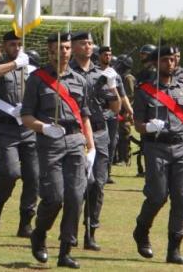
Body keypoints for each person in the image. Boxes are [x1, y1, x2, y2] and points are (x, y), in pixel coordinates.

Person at [21, 31, 95, 269]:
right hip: (50, 142)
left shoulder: (79, 80)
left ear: (70, 50)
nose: (62, 52)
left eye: (65, 47)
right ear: (49, 50)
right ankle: (39, 233)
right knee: (54, 198)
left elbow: (84, 116)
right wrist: (43, 127)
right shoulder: (37, 79)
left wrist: (90, 146)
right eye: (57, 48)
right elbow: (26, 116)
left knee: (75, 197)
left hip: (75, 141)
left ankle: (66, 251)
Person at [132, 45, 183, 265]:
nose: (169, 64)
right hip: (156, 147)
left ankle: (174, 248)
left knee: (181, 197)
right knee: (157, 196)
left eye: (172, 60)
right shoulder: (144, 91)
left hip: (182, 148)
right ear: (155, 62)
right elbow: (138, 124)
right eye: (165, 60)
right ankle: (142, 230)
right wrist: (148, 127)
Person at [0, 31, 38, 238]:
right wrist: (15, 64)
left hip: (28, 129)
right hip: (6, 129)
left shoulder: (31, 69)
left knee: (33, 178)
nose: (16, 48)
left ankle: (26, 222)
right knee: (10, 173)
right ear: (5, 46)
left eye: (19, 44)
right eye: (12, 44)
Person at [70, 32, 120, 252]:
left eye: (90, 43)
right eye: (83, 43)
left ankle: (90, 232)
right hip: (74, 134)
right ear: (73, 46)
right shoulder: (66, 73)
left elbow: (116, 108)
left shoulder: (102, 73)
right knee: (77, 187)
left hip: (100, 134)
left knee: (98, 184)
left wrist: (112, 86)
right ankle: (70, 231)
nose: (88, 46)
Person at [97, 45, 127, 184]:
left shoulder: (114, 74)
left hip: (112, 112)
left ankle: (107, 173)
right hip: (98, 111)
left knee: (111, 143)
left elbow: (122, 95)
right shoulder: (95, 72)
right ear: (99, 56)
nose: (107, 57)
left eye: (109, 54)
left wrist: (130, 111)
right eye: (105, 54)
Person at [114, 54, 136, 167]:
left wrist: (127, 110)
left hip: (125, 111)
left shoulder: (128, 78)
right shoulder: (121, 76)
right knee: (117, 135)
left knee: (124, 135)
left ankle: (124, 158)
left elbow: (131, 95)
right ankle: (117, 157)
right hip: (118, 109)